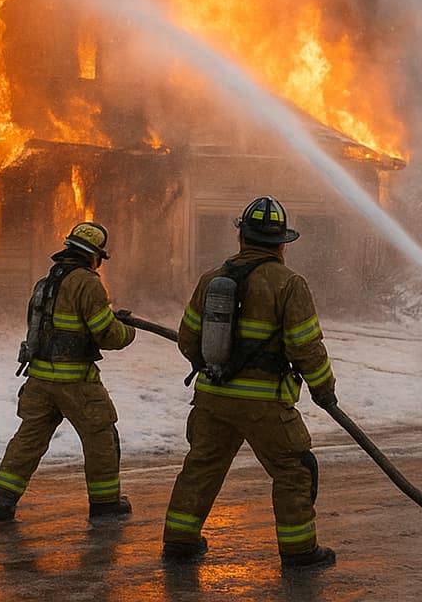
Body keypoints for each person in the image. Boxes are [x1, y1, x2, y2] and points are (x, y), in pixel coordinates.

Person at [161, 195, 338, 570]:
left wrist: (213, 366)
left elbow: (187, 340)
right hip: (264, 403)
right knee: (294, 469)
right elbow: (306, 346)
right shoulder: (289, 283)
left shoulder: (212, 280)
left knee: (202, 466)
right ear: (281, 244)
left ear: (241, 237)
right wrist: (324, 389)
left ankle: (180, 540)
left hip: (211, 398)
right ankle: (299, 551)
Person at [0, 220, 136, 523]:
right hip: (76, 383)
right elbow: (106, 335)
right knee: (101, 437)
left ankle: (3, 498)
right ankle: (105, 504)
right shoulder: (88, 282)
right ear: (93, 255)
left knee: (29, 439)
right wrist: (127, 331)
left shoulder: (45, 283)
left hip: (39, 380)